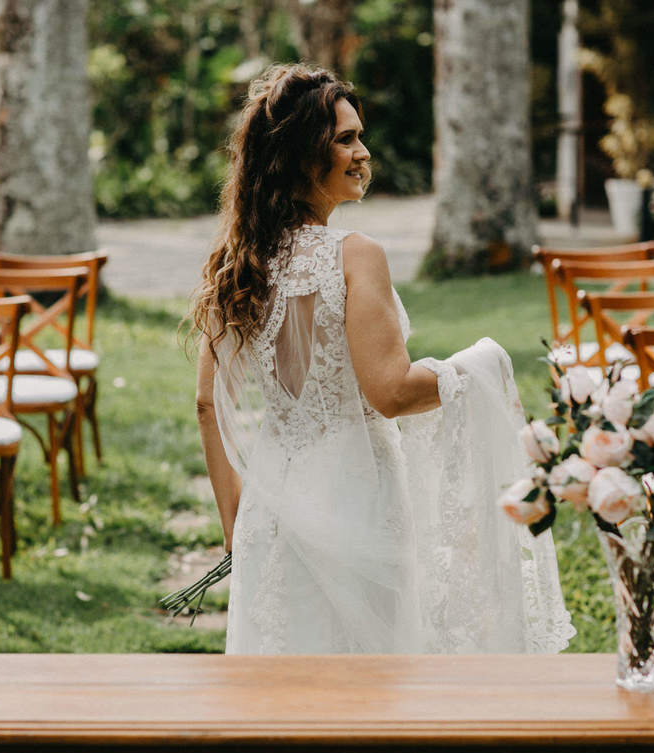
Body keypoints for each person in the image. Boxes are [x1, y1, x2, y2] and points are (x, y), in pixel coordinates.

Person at [190, 64, 574, 655]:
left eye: (359, 136)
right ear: (299, 154)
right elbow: (390, 392)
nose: (363, 153)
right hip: (355, 489)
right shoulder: (355, 255)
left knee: (278, 682)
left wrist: (234, 522)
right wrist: (480, 366)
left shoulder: (237, 264)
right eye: (345, 139)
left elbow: (205, 407)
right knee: (366, 682)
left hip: (271, 501)